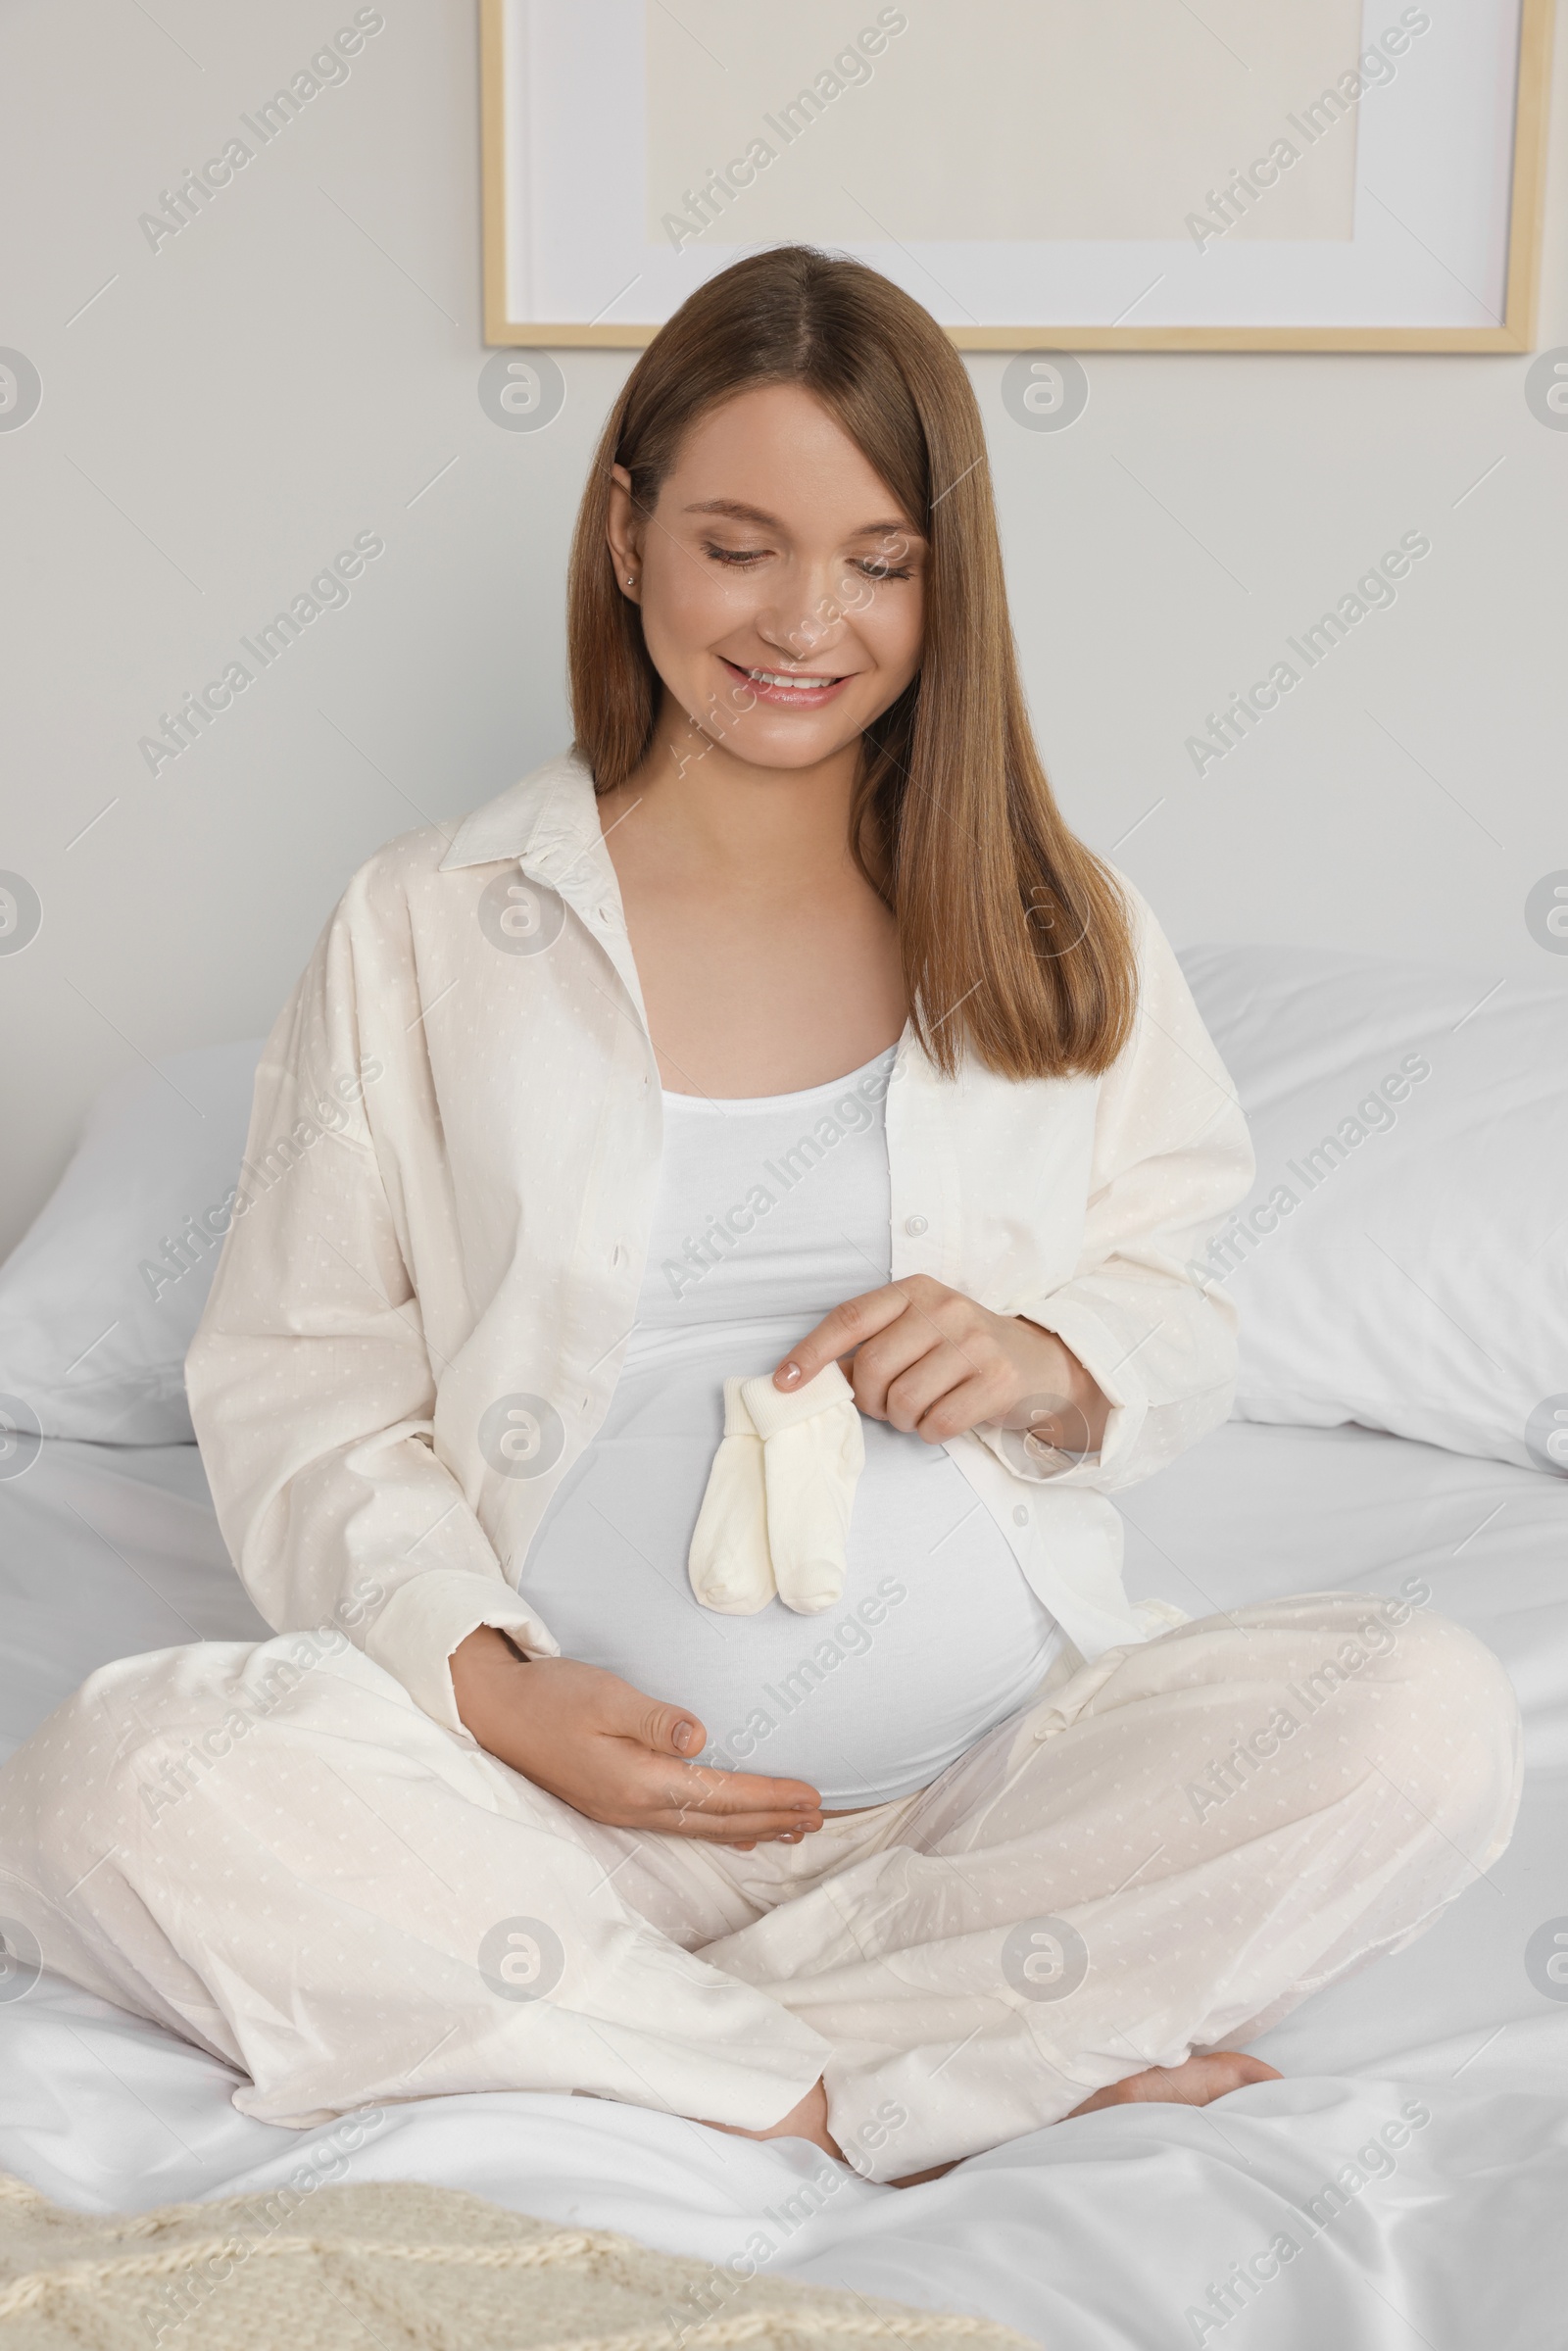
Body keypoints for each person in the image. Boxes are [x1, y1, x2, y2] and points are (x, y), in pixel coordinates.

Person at [0, 247, 1520, 2187]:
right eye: (738, 544)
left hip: (982, 1797)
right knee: (120, 1786)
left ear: (941, 582)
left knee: (1419, 1717)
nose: (808, 619)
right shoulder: (430, 920)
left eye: (879, 560)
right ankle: (877, 2081)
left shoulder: (1057, 919)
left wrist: (1051, 1359)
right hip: (552, 1819)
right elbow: (304, 1385)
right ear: (624, 532)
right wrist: (492, 1684)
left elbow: (1182, 1293)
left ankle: (669, 2049)